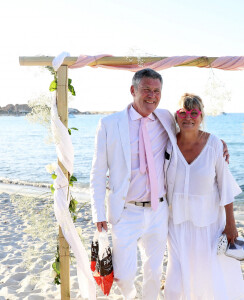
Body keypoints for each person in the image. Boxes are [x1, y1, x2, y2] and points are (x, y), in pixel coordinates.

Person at [90, 68, 178, 299]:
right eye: (146, 90)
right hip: (125, 211)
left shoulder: (167, 118)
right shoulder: (109, 123)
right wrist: (98, 211)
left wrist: (219, 145)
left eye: (157, 91)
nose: (152, 95)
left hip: (159, 210)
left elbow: (192, 129)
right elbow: (98, 172)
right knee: (124, 274)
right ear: (133, 90)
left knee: (154, 270)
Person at [164, 93, 244, 300]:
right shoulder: (168, 143)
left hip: (209, 223)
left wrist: (231, 224)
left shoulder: (214, 144)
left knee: (209, 271)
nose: (188, 117)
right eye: (183, 112)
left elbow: (225, 186)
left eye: (194, 112)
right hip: (177, 222)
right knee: (177, 273)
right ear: (176, 115)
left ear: (201, 116)